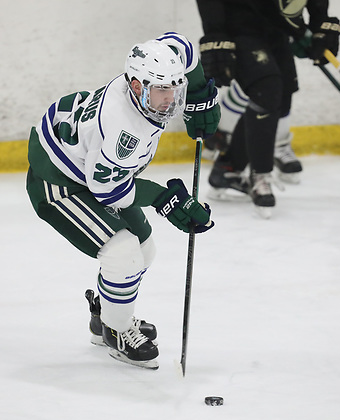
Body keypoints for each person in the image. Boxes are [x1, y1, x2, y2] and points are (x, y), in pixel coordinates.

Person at [26, 32, 220, 370]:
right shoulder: (122, 131)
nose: (170, 98)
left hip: (88, 167)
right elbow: (108, 192)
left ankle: (106, 314)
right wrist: (165, 199)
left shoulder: (147, 77)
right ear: (134, 85)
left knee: (145, 250)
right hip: (57, 181)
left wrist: (200, 91)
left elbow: (181, 47)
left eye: (175, 88)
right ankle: (115, 332)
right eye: (162, 90)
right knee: (122, 252)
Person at [196, 0, 340, 218]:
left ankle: (228, 170)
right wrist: (215, 32)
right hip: (240, 24)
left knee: (281, 95)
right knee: (267, 89)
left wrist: (320, 21)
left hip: (277, 28)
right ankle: (261, 176)